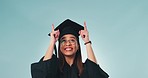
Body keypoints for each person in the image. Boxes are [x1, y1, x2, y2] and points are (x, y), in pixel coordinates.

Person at [31, 19, 109, 78]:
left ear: (78, 46)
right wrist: (52, 42)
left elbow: (95, 73)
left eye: (72, 40)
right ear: (59, 46)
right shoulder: (54, 66)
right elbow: (42, 74)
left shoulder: (84, 69)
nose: (68, 43)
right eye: (63, 41)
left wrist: (87, 42)